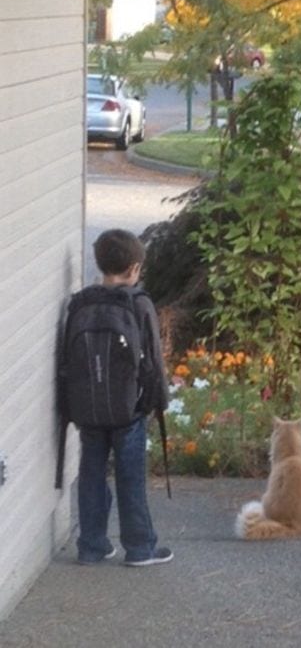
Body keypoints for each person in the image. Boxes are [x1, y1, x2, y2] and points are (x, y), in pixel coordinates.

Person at [66, 229, 172, 566]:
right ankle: (140, 548)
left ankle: (91, 546)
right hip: (129, 410)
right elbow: (153, 360)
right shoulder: (138, 303)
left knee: (91, 475)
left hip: (89, 410)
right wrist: (158, 401)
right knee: (130, 477)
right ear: (134, 269)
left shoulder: (81, 302)